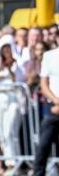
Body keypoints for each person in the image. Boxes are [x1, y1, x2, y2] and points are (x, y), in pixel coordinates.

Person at [0, 35, 26, 175]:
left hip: (14, 98)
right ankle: (9, 162)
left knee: (10, 131)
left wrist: (11, 68)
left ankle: (14, 162)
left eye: (8, 48)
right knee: (2, 133)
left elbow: (19, 79)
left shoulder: (18, 63)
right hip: (0, 99)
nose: (6, 51)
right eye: (3, 49)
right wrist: (0, 68)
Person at [33, 44, 59, 176]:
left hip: (56, 107)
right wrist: (56, 101)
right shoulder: (49, 56)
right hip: (52, 108)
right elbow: (44, 84)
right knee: (43, 145)